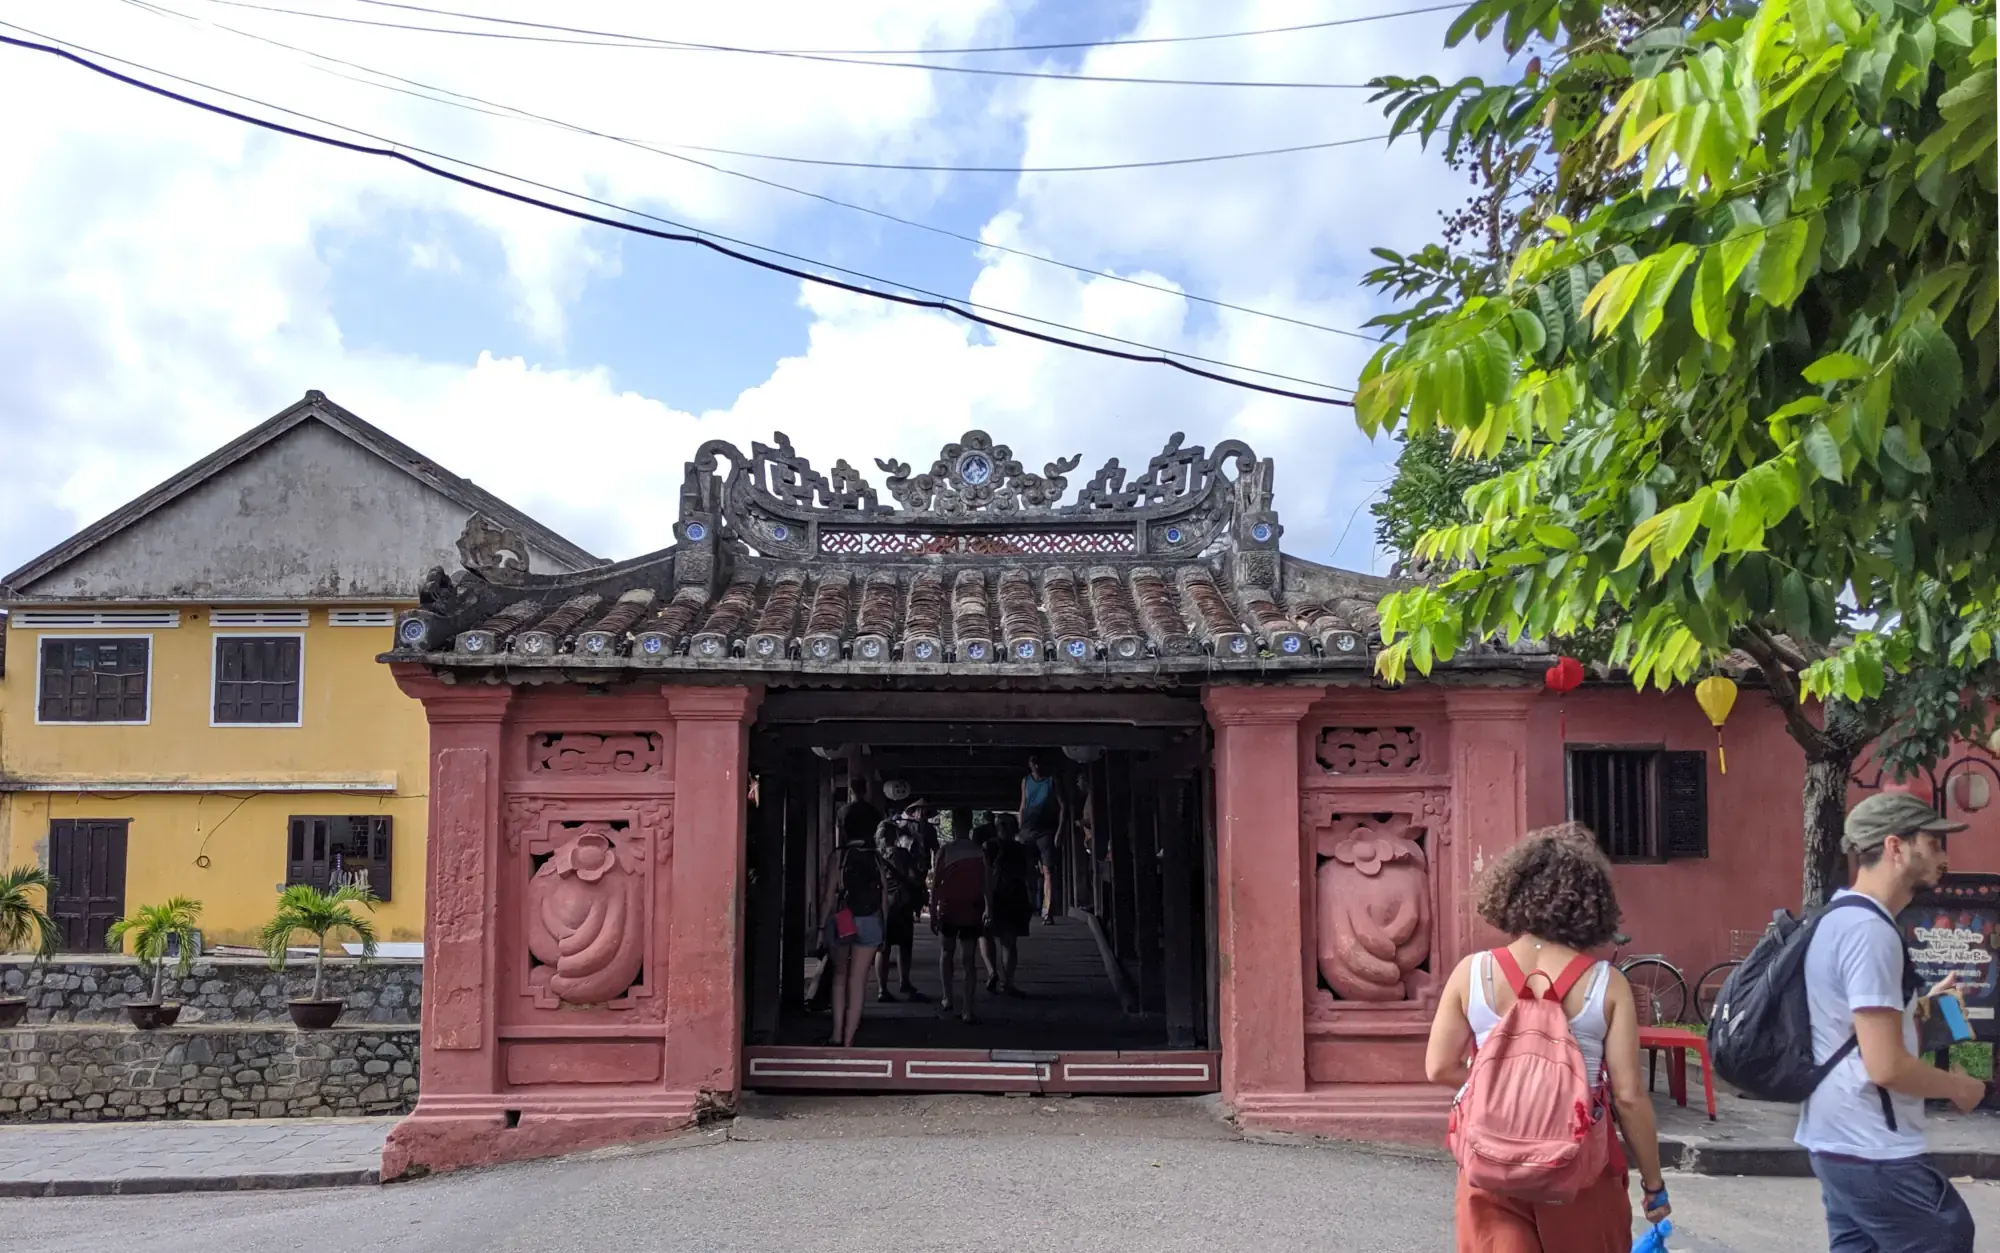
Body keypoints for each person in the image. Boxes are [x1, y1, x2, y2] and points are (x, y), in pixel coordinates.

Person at [1424, 823, 1671, 1252]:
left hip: (1491, 1167)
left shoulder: (1473, 972)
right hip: (1581, 1170)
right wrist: (1654, 1185)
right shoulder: (1605, 984)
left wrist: (1500, 1086)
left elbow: (1439, 1067)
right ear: (1590, 902)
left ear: (1513, 891)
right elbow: (1629, 1097)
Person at [1797, 791, 1983, 1253]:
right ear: (1896, 847)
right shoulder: (1870, 932)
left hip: (1837, 1138)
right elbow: (1884, 1066)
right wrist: (1960, 1087)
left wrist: (1918, 1007)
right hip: (1871, 1144)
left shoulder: (1840, 916)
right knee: (1947, 1234)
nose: (1944, 857)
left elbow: (1848, 1023)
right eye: (1934, 843)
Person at [817, 784, 885, 1047]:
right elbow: (883, 900)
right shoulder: (876, 858)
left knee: (839, 977)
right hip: (870, 920)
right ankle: (849, 1040)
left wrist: (823, 928)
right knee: (858, 981)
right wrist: (883, 930)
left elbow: (828, 897)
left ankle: (835, 1034)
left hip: (843, 917)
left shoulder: (839, 857)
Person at [930, 819, 990, 1023]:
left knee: (947, 952)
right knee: (969, 960)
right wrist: (989, 907)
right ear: (969, 826)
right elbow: (986, 882)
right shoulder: (979, 851)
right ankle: (967, 1009)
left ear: (955, 828)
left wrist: (932, 908)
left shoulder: (946, 850)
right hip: (972, 907)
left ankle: (947, 997)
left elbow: (936, 882)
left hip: (950, 907)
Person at [874, 819, 928, 1003]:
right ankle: (904, 981)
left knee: (882, 948)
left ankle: (882, 989)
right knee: (904, 945)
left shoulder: (874, 855)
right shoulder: (902, 854)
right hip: (901, 903)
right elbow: (914, 875)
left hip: (881, 905)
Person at [982, 821, 1034, 996]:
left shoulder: (989, 847)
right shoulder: (1021, 849)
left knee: (986, 935)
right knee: (1009, 943)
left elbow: (986, 874)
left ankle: (991, 972)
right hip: (1015, 896)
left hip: (994, 895)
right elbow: (1028, 875)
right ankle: (1008, 982)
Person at [1018, 754, 1063, 923]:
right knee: (1026, 871)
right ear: (1029, 764)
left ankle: (1047, 911)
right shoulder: (1026, 781)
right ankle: (1027, 907)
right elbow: (1023, 805)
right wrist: (1020, 829)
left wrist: (1060, 831)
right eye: (1033, 761)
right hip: (1027, 831)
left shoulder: (1052, 780)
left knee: (1048, 872)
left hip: (1046, 831)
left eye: (1039, 761)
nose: (1036, 765)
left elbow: (1062, 806)